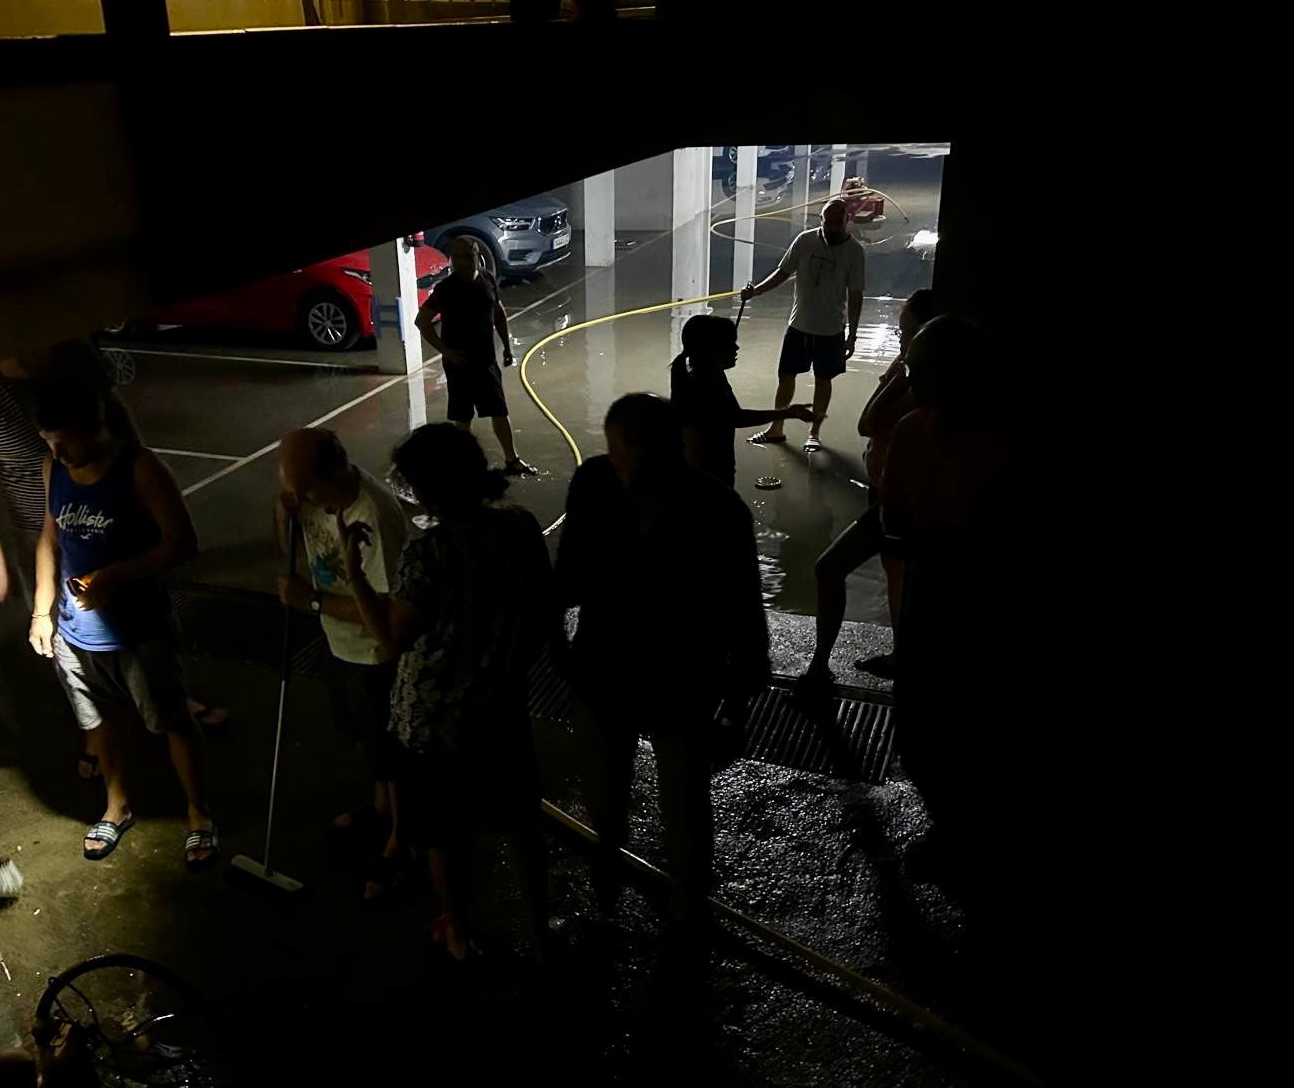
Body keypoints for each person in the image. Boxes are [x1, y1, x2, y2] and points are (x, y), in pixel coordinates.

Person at [0, 341, 223, 783]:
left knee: (139, 628)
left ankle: (166, 704)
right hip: (42, 526)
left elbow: (121, 425)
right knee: (72, 644)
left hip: (113, 518)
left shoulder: (73, 357)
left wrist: (142, 486)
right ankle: (98, 734)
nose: (40, 353)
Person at [341, 424, 555, 962]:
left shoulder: (427, 552)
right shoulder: (520, 528)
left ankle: (458, 932)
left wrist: (355, 576)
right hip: (502, 706)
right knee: (520, 822)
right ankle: (540, 928)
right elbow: (542, 611)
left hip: (435, 723)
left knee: (445, 833)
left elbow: (392, 639)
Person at [557, 393, 765, 920]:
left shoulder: (710, 509)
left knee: (679, 806)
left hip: (648, 679)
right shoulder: (718, 507)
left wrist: (737, 704)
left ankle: (668, 899)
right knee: (647, 804)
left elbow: (566, 584)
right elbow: (744, 617)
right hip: (645, 677)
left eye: (621, 451)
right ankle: (651, 895)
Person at [28, 375, 218, 869]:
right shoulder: (54, 467)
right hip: (75, 631)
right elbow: (49, 540)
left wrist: (115, 576)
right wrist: (40, 612)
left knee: (171, 721)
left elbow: (183, 543)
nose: (58, 450)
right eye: (49, 440)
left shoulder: (139, 468)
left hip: (140, 631)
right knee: (99, 722)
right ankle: (116, 806)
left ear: (94, 423)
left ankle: (198, 814)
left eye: (64, 438)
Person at [878, 314, 1017, 887]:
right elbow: (894, 517)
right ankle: (949, 826)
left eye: (920, 369)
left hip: (978, 602)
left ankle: (964, 835)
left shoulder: (1002, 445)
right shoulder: (913, 431)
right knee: (924, 720)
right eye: (910, 369)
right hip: (932, 591)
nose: (913, 380)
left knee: (970, 720)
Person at [274, 429, 409, 898]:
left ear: (334, 472)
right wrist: (283, 513)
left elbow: (388, 613)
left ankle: (401, 842)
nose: (300, 499)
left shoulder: (374, 514)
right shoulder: (308, 497)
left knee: (392, 749)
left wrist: (312, 602)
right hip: (337, 642)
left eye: (304, 489)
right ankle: (381, 808)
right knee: (364, 739)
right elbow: (290, 552)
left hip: (373, 652)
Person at [800, 288, 936, 687]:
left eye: (907, 333)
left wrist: (900, 374)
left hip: (901, 502)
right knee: (895, 578)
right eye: (899, 335)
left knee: (832, 569)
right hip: (887, 493)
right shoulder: (909, 370)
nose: (901, 341)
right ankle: (899, 657)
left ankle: (822, 667)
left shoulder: (919, 385)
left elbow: (868, 420)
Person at [741, 196, 867, 451]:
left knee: (823, 380)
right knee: (785, 377)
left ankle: (814, 433)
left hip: (830, 330)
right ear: (820, 219)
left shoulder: (855, 252)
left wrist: (852, 335)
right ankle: (776, 429)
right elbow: (783, 272)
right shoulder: (805, 240)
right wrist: (756, 292)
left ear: (847, 220)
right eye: (827, 222)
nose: (831, 228)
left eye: (836, 223)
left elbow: (855, 295)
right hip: (798, 325)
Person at [414, 236, 539, 477]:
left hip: (486, 360)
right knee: (463, 417)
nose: (462, 262)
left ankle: (511, 460)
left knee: (499, 410)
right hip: (459, 365)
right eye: (457, 257)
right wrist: (446, 351)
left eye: (467, 256)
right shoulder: (446, 289)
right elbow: (422, 321)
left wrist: (506, 346)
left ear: (476, 255)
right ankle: (461, 466)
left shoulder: (487, 278)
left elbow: (498, 312)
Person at [667, 314, 814, 488]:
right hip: (708, 475)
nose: (736, 348)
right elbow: (736, 418)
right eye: (729, 344)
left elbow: (733, 415)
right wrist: (788, 412)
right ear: (711, 350)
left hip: (714, 468)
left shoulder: (711, 375)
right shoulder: (702, 385)